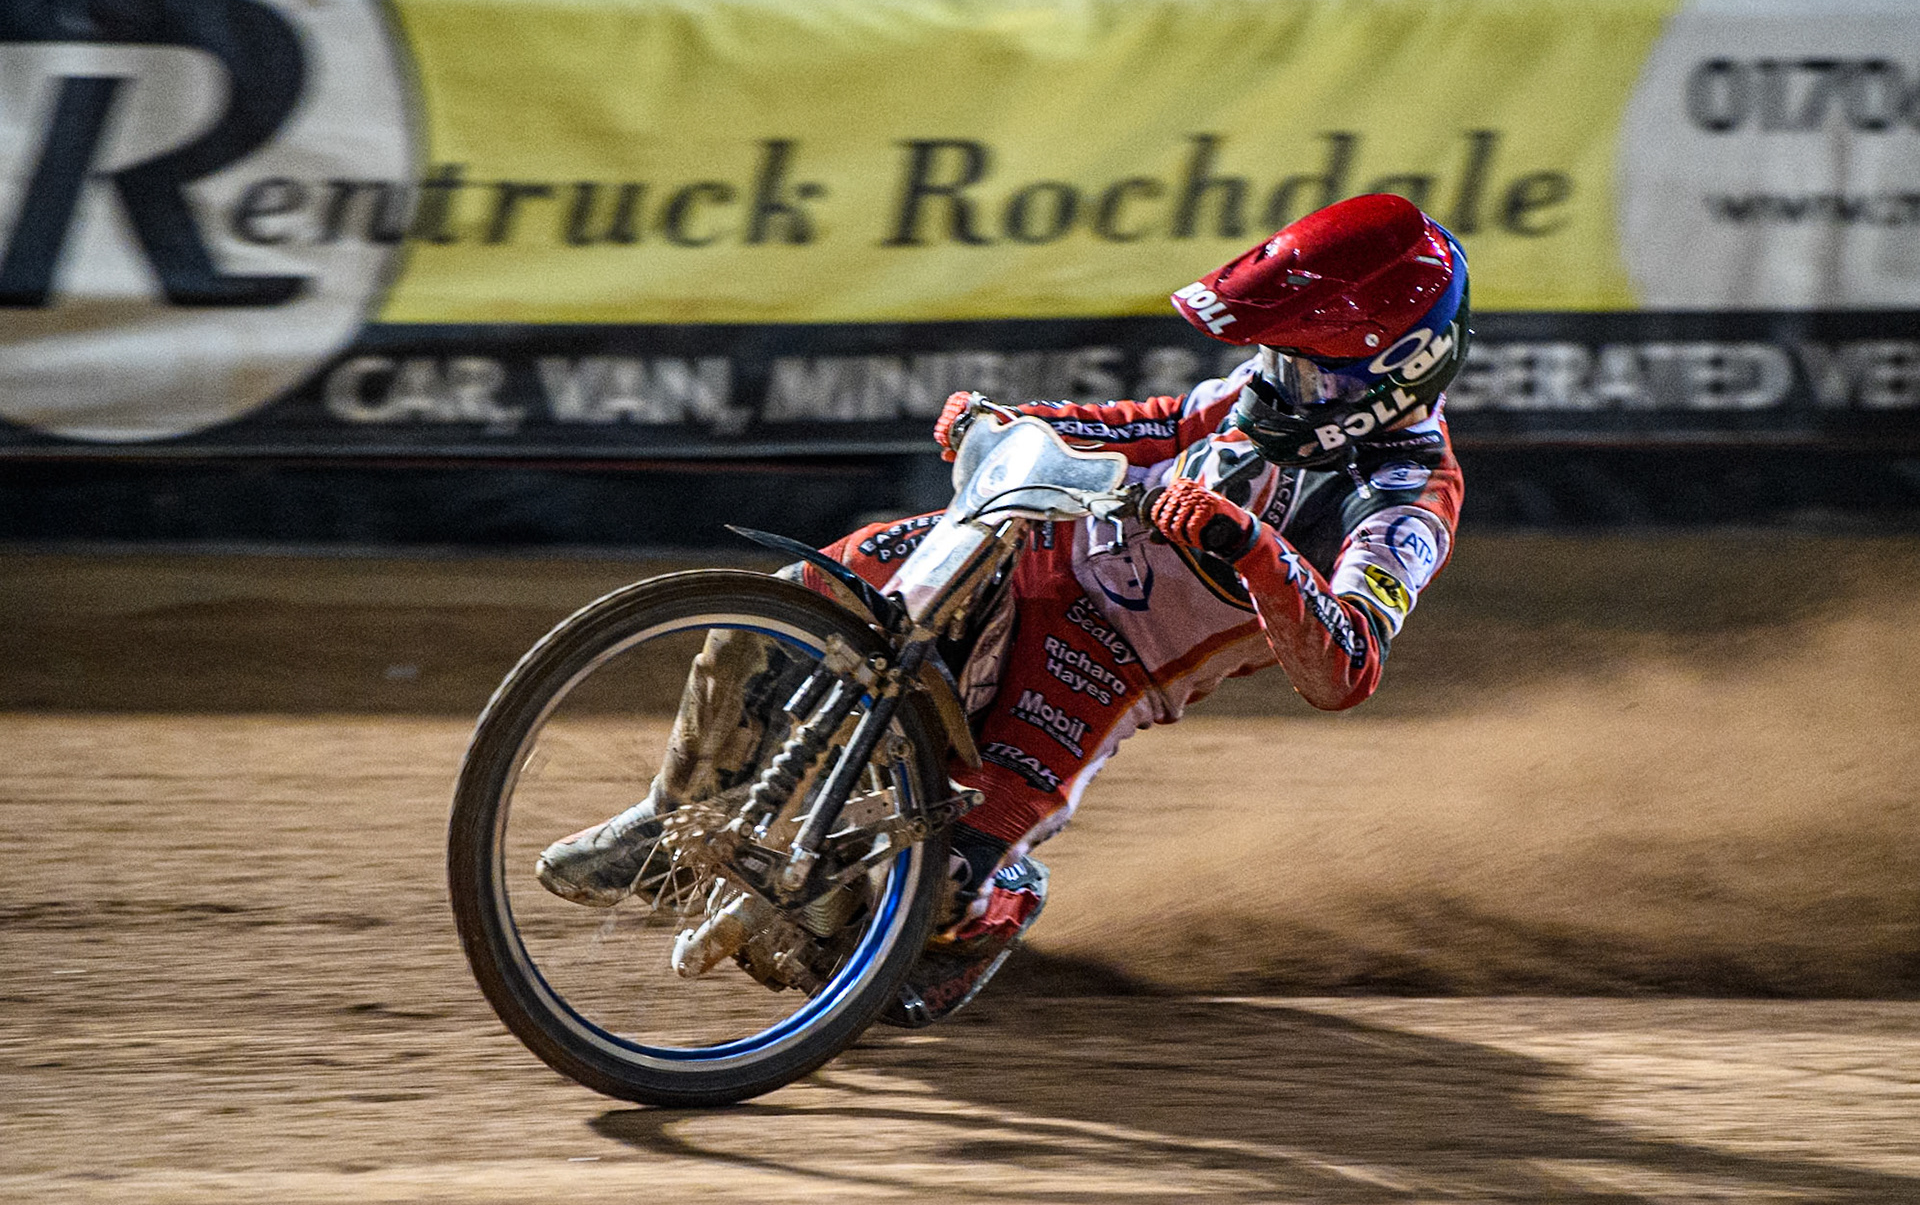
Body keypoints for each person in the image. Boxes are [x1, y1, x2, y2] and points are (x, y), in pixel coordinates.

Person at [536, 192, 1469, 1025]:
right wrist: (1016, 420)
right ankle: (670, 818)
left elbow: (1345, 667)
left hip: (1107, 664)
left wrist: (1252, 549)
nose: (1274, 378)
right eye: (1274, 352)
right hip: (1026, 542)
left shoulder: (1406, 494)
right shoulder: (1256, 392)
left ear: (1390, 371)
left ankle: (991, 902)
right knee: (792, 603)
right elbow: (1151, 423)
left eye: (1305, 364)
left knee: (891, 911)